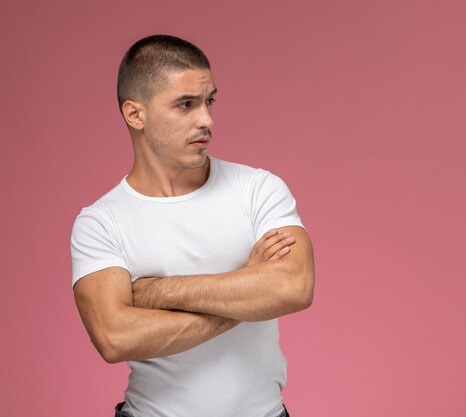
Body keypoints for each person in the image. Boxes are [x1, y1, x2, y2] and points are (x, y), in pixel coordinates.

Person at [70, 34, 315, 417]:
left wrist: (158, 293)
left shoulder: (257, 189)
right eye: (186, 104)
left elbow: (293, 287)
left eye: (209, 101)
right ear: (136, 114)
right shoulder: (101, 222)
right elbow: (115, 338)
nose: (207, 119)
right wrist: (247, 290)